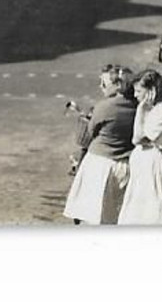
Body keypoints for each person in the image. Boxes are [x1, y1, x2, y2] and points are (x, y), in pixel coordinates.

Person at [62, 65, 137, 224]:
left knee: (97, 214)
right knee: (117, 213)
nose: (101, 87)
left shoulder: (104, 107)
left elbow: (91, 131)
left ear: (117, 85)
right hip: (125, 165)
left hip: (100, 165)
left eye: (104, 83)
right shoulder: (136, 106)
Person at [117, 69, 162, 224]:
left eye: (139, 91)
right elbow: (138, 139)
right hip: (142, 164)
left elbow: (138, 139)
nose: (135, 95)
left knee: (150, 212)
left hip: (152, 165)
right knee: (135, 210)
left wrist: (140, 111)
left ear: (151, 90)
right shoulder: (149, 110)